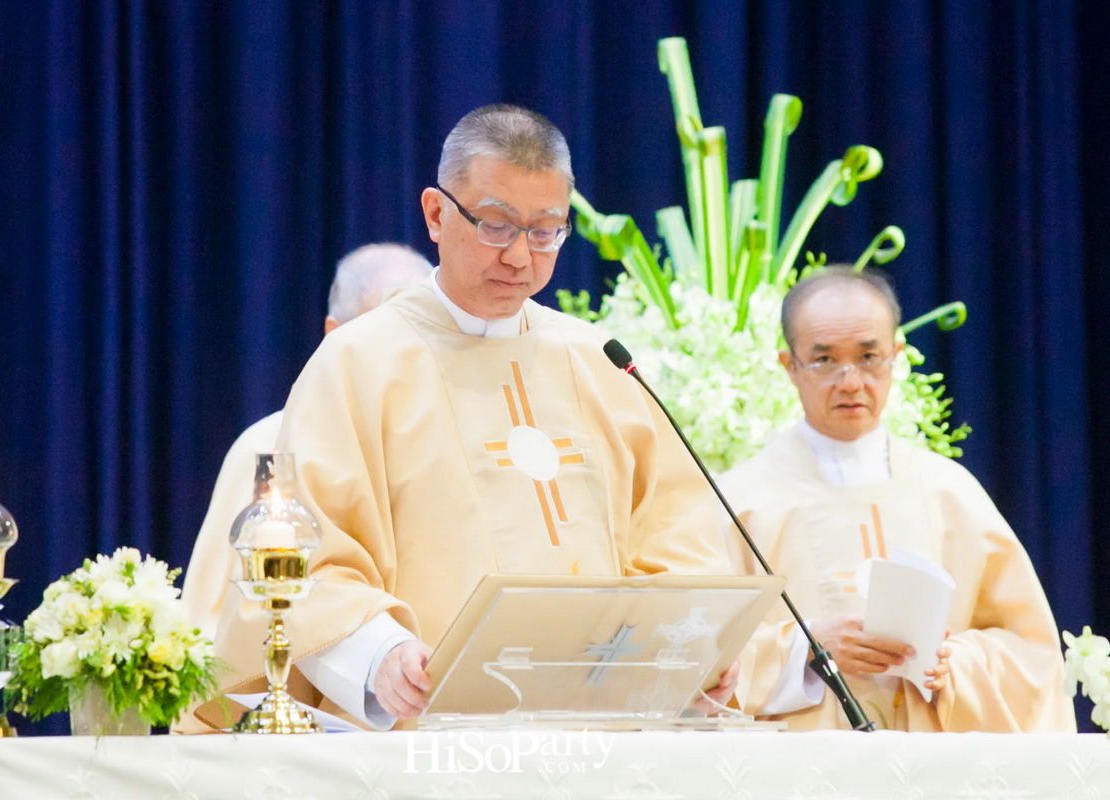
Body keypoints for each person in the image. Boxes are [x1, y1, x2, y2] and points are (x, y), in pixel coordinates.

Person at [191, 104, 735, 731]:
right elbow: (310, 553)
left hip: (598, 739)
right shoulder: (358, 362)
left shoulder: (599, 363)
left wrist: (689, 653)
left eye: (545, 231)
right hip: (433, 732)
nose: (520, 257)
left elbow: (674, 538)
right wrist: (379, 656)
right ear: (435, 213)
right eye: (496, 224)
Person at [720, 266, 1075, 732]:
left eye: (869, 357)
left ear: (897, 356)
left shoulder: (950, 493)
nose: (850, 381)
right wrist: (804, 649)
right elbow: (696, 656)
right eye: (825, 360)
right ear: (789, 367)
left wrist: (953, 665)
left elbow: (1032, 659)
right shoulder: (738, 502)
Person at [180, 243, 432, 638]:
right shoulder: (272, 444)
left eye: (420, 333)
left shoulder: (445, 442)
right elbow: (211, 621)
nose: (403, 354)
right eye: (384, 332)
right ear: (334, 334)